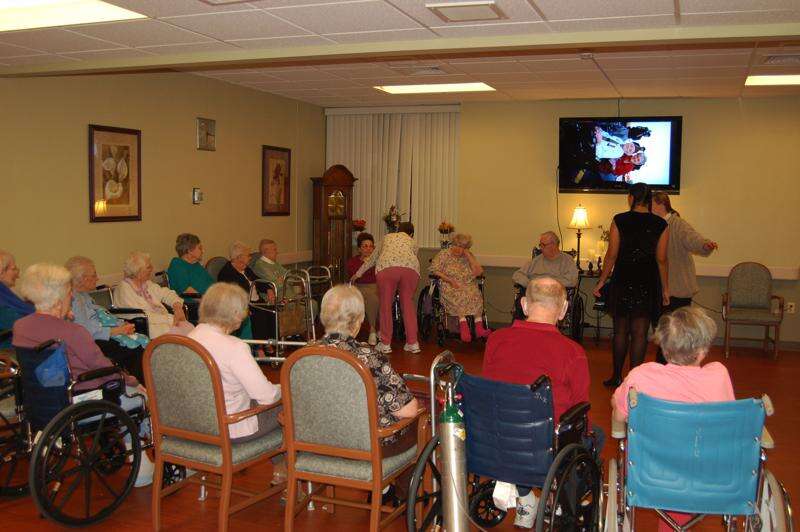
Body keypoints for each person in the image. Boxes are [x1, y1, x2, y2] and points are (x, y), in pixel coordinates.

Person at [12, 263, 153, 486]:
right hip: (80, 401)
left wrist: (61, 317)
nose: (72, 296)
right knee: (140, 397)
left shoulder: (20, 327)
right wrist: (130, 380)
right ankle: (141, 463)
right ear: (59, 299)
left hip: (42, 403)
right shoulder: (74, 332)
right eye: (69, 293)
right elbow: (102, 367)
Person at [483, 276, 600, 528]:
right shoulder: (572, 352)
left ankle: (526, 498)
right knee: (594, 435)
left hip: (497, 441)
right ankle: (560, 502)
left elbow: (491, 387)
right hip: (545, 448)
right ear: (564, 310)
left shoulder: (496, 340)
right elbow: (581, 407)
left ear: (524, 305)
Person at [612, 306, 733, 532]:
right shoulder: (718, 375)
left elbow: (619, 415)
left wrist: (619, 401)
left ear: (664, 347)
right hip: (710, 473)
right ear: (703, 350)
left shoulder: (642, 375)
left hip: (651, 471)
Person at [316, 284, 419, 499]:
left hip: (318, 441)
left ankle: (384, 489)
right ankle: (402, 496)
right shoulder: (369, 357)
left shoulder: (304, 354)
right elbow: (407, 411)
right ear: (359, 320)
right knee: (416, 421)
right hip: (366, 445)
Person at [594, 183, 669, 387]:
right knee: (640, 333)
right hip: (647, 281)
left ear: (631, 198)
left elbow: (611, 255)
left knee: (620, 331)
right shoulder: (661, 224)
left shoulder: (620, 220)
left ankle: (616, 376)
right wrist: (665, 288)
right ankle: (635, 382)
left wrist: (601, 281)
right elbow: (661, 259)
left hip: (623, 278)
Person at [188, 283, 281, 443]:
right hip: (230, 427)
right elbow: (268, 398)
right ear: (236, 314)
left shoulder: (188, 339)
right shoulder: (235, 347)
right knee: (296, 402)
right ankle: (292, 464)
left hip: (194, 425)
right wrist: (285, 388)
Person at [651, 192, 718, 364]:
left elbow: (693, 239)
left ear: (660, 204)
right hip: (660, 287)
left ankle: (672, 367)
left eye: (651, 203)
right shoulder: (654, 225)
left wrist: (705, 244)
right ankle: (664, 367)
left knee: (676, 332)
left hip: (677, 288)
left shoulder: (677, 224)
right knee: (663, 331)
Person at [65, 256, 147, 383]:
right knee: (135, 350)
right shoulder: (74, 299)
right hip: (93, 341)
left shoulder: (82, 295)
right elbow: (85, 330)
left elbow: (99, 316)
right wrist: (117, 331)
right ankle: (141, 385)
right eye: (94, 275)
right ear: (82, 279)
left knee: (140, 341)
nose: (97, 278)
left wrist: (119, 324)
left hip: (100, 335)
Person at [351, 222, 421, 354]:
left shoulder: (386, 238)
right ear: (411, 234)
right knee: (407, 304)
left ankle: (385, 343)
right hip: (410, 270)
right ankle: (413, 343)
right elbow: (413, 257)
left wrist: (358, 274)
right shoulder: (413, 241)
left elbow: (372, 259)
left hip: (387, 269)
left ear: (397, 230)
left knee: (385, 306)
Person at [114, 251, 192, 338]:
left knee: (189, 328)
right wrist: (170, 319)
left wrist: (177, 307)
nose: (152, 268)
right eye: (148, 267)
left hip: (163, 322)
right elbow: (140, 315)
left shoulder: (146, 283)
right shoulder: (124, 289)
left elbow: (166, 293)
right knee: (183, 334)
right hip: (144, 328)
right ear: (138, 272)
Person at [429, 233, 490, 342]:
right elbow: (435, 270)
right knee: (460, 294)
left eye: (462, 247)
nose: (458, 249)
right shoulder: (444, 254)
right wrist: (450, 280)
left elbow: (479, 272)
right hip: (449, 284)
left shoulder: (468, 256)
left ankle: (479, 328)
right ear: (452, 244)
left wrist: (468, 256)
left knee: (475, 294)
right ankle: (463, 327)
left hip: (468, 284)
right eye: (456, 245)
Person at [512, 232, 578, 319]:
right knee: (520, 301)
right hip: (533, 294)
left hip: (553, 296)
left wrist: (549, 283)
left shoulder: (567, 260)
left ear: (553, 245)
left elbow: (572, 281)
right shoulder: (536, 260)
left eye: (543, 245)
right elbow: (517, 275)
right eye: (540, 245)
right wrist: (531, 283)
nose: (541, 248)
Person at [215, 241, 259, 340]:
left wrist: (269, 289)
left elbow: (258, 280)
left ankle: (266, 345)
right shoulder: (227, 273)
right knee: (260, 315)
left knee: (272, 310)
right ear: (239, 257)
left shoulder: (246, 269)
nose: (250, 257)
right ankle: (259, 347)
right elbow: (233, 296)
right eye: (248, 255)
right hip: (243, 305)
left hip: (256, 302)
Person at [346, 232, 379, 346]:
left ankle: (373, 330)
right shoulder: (353, 261)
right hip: (358, 287)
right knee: (362, 296)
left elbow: (378, 276)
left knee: (372, 297)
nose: (369, 249)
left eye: (371, 246)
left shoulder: (377, 262)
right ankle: (352, 330)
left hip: (374, 287)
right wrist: (364, 266)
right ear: (359, 249)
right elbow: (353, 276)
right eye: (365, 246)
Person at [0, 250, 33, 347]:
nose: (17, 275)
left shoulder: (7, 293)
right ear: (1, 272)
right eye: (14, 269)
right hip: (10, 354)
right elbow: (21, 326)